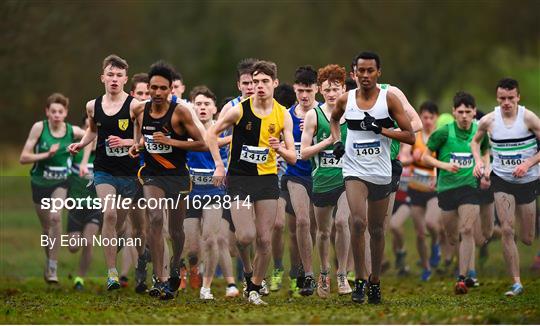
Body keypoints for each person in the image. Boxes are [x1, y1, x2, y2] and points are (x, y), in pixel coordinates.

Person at [206, 60, 297, 305]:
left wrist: (280, 149)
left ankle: (254, 287)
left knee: (265, 239)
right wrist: (219, 165)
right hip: (240, 179)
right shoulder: (238, 110)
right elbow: (211, 134)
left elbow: (293, 155)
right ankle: (247, 271)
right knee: (245, 236)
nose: (259, 86)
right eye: (255, 81)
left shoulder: (283, 115)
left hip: (267, 179)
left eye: (265, 82)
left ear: (275, 84)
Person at [330, 51, 415, 304]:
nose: (365, 76)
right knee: (357, 223)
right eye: (361, 71)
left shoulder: (388, 100)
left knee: (377, 229)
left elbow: (410, 135)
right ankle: (359, 279)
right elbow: (334, 121)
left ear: (379, 72)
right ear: (353, 73)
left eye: (370, 71)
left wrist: (382, 130)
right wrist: (336, 142)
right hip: (354, 169)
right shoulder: (346, 100)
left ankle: (375, 281)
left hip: (380, 171)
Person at [68, 54, 146, 291]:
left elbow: (144, 139)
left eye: (119, 76)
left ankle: (124, 248)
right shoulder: (93, 105)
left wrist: (126, 142)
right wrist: (81, 144)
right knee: (109, 214)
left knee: (121, 226)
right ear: (102, 77)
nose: (114, 79)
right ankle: (111, 273)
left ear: (125, 80)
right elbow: (92, 132)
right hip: (103, 171)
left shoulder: (134, 106)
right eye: (110, 75)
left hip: (129, 174)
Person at [129, 60, 205, 299]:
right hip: (152, 175)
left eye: (163, 88)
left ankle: (174, 265)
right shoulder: (140, 110)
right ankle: (160, 278)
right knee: (154, 218)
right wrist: (137, 147)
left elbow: (202, 143)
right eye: (154, 88)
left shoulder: (180, 112)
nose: (158, 92)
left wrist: (171, 142)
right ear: (148, 88)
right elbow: (142, 137)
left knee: (175, 230)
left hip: (177, 177)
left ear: (171, 89)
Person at [471, 78, 540, 296]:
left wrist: (528, 163)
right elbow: (475, 141)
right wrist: (479, 162)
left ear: (518, 97)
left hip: (528, 179)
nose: (506, 102)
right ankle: (516, 283)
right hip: (501, 179)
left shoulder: (528, 118)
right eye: (502, 98)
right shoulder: (489, 120)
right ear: (497, 98)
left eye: (511, 98)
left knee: (527, 238)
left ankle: (525, 235)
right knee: (507, 230)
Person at [422, 91, 490, 295]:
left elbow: (486, 151)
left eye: (468, 112)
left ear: (474, 112)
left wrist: (484, 166)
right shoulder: (443, 132)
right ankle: (461, 264)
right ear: (453, 112)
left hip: (470, 187)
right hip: (446, 189)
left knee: (467, 230)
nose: (464, 116)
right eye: (460, 112)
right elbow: (426, 157)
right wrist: (444, 165)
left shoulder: (479, 132)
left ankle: (464, 277)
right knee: (452, 237)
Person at [20, 93, 85, 284]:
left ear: (65, 113)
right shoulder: (39, 128)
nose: (57, 114)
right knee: (46, 227)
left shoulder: (72, 131)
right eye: (53, 111)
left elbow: (93, 135)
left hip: (61, 183)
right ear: (47, 112)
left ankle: (53, 267)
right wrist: (47, 154)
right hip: (40, 183)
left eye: (61, 111)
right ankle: (49, 260)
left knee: (56, 217)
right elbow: (24, 157)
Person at [300, 64, 352, 297]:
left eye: (336, 89)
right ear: (320, 90)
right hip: (321, 180)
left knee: (342, 222)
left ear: (344, 89)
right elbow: (304, 152)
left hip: (347, 179)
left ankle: (342, 275)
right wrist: (329, 141)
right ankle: (324, 272)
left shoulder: (352, 112)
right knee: (323, 232)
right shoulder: (314, 115)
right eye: (328, 89)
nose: (332, 94)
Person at [185, 85, 240, 299]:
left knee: (211, 238)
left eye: (207, 104)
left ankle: (206, 288)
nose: (202, 108)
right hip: (191, 193)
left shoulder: (222, 128)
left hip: (215, 192)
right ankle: (192, 270)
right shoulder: (186, 130)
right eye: (198, 104)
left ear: (215, 108)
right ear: (192, 107)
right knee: (192, 251)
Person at [282, 66, 319, 296]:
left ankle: (301, 268)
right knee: (301, 223)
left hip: (320, 175)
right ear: (295, 89)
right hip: (295, 175)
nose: (304, 96)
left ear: (317, 89)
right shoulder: (286, 115)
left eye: (308, 90)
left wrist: (315, 131)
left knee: (314, 228)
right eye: (300, 91)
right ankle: (307, 275)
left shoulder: (325, 114)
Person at [403, 100, 441, 281]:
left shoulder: (440, 137)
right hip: (415, 188)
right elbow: (401, 158)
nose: (427, 121)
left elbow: (446, 161)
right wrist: (411, 158)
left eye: (430, 117)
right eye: (424, 117)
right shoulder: (414, 136)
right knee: (419, 233)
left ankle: (436, 245)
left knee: (432, 224)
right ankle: (426, 267)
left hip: (434, 189)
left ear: (436, 118)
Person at [66, 115, 101, 290]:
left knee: (88, 241)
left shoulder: (103, 155)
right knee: (73, 247)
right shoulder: (74, 153)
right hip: (75, 205)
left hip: (95, 206)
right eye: (88, 129)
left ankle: (79, 278)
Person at [270, 82, 297, 293]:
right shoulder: (268, 118)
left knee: (297, 228)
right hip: (276, 178)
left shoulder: (299, 119)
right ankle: (278, 267)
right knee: (278, 225)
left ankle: (297, 273)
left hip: (297, 177)